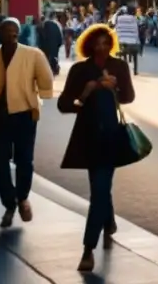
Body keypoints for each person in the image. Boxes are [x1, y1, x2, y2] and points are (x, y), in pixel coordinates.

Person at [57, 24, 135, 273]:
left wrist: (117, 88)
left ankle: (88, 248)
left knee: (100, 190)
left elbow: (129, 98)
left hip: (112, 136)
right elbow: (64, 104)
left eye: (105, 43)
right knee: (100, 188)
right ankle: (108, 222)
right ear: (89, 45)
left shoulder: (119, 66)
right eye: (97, 44)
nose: (101, 48)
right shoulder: (80, 70)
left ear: (111, 44)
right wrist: (87, 91)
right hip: (88, 135)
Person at [0, 17, 55, 227]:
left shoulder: (33, 54)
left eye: (14, 31)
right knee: (0, 163)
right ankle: (8, 202)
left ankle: (22, 198)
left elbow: (46, 78)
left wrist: (39, 94)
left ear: (19, 33)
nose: (11, 35)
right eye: (6, 31)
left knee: (24, 160)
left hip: (24, 115)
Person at [113, 7, 141, 75]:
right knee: (135, 56)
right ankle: (135, 71)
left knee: (121, 54)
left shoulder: (118, 18)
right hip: (132, 42)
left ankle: (122, 69)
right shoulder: (134, 18)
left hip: (122, 42)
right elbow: (136, 31)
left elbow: (117, 30)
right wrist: (137, 41)